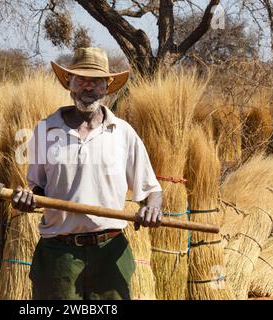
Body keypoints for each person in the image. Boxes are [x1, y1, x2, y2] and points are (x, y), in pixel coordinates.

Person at [12, 47, 163, 300]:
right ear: (69, 84)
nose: (88, 87)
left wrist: (153, 208)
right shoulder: (45, 131)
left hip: (110, 253)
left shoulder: (123, 133)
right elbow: (37, 188)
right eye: (81, 79)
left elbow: (151, 191)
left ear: (107, 86)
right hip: (59, 255)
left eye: (96, 81)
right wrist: (26, 198)